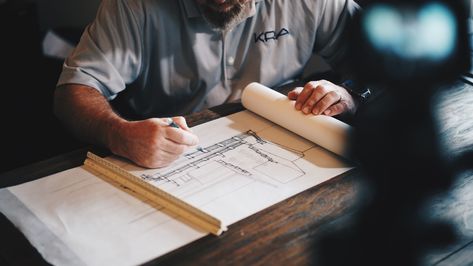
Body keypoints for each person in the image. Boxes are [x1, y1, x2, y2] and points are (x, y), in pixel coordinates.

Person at [54, 0, 361, 168]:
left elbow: (389, 64)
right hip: (168, 155)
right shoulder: (133, 6)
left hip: (288, 153)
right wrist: (117, 133)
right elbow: (74, 91)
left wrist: (349, 93)